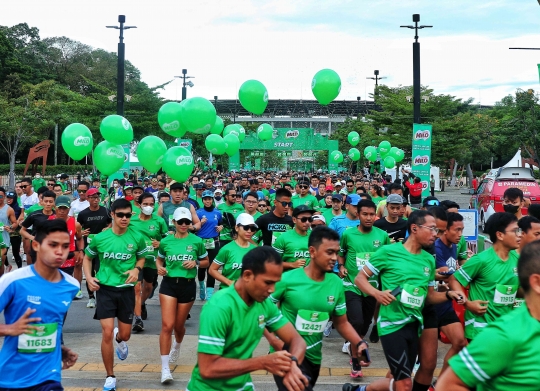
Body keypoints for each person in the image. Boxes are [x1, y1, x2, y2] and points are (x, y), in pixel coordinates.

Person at [346, 210, 463, 391]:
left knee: (404, 381)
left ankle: (362, 390)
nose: (435, 234)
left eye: (437, 231)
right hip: (392, 324)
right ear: (414, 228)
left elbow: (429, 296)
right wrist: (377, 294)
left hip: (414, 324)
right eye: (432, 229)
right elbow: (360, 279)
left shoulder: (427, 260)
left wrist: (449, 295)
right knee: (405, 383)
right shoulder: (387, 252)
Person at [186, 246, 308, 391]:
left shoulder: (263, 303)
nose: (272, 290)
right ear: (247, 275)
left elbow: (297, 340)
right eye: (268, 282)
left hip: (243, 386)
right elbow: (207, 369)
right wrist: (261, 362)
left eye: (276, 283)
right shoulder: (219, 307)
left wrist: (292, 364)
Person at [268, 226, 370, 389]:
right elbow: (261, 312)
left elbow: (341, 323)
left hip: (314, 358)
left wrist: (358, 343)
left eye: (336, 253)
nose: (334, 258)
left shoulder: (336, 283)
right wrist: (274, 341)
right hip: (287, 355)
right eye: (329, 252)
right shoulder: (287, 280)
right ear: (312, 252)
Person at [437, 240, 540, 391]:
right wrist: (467, 303)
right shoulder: (503, 336)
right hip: (479, 325)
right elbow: (448, 385)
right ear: (536, 283)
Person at [0, 219, 80, 390]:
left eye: (65, 246)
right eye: (53, 245)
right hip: (12, 379)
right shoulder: (13, 281)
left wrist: (58, 348)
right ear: (36, 245)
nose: (60, 252)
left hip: (49, 377)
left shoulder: (71, 286)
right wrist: (9, 329)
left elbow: (50, 324)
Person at [83, 198, 148, 391]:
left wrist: (137, 269)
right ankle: (110, 375)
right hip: (105, 290)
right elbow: (87, 257)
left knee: (125, 335)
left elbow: (142, 256)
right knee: (106, 332)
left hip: (126, 291)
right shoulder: (100, 238)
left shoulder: (137, 237)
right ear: (112, 215)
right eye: (120, 215)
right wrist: (88, 278)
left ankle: (120, 340)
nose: (124, 218)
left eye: (128, 215)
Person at [156, 207, 209, 384]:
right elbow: (159, 259)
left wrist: (195, 262)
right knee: (167, 325)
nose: (184, 225)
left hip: (187, 286)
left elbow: (206, 262)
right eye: (181, 222)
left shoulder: (196, 241)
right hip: (169, 285)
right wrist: (159, 268)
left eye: (187, 222)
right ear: (174, 223)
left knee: (179, 326)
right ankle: (165, 369)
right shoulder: (166, 241)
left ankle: (177, 345)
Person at [449, 212, 520, 341]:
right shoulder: (481, 260)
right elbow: (454, 279)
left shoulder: (518, 260)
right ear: (500, 235)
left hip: (506, 328)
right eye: (515, 231)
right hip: (480, 329)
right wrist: (467, 303)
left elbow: (520, 290)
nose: (519, 235)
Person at [434, 212, 468, 374]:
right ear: (445, 230)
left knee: (460, 343)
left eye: (462, 230)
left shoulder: (453, 246)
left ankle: (441, 383)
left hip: (445, 304)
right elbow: (447, 274)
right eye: (457, 230)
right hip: (431, 304)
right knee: (420, 358)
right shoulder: (436, 248)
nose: (460, 234)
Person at [129, 193, 168, 331]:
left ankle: (141, 303)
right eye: (145, 204)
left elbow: (168, 239)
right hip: (135, 260)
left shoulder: (159, 221)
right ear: (139, 205)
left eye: (151, 204)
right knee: (137, 288)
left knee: (148, 288)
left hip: (152, 259)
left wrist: (160, 243)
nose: (149, 207)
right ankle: (138, 320)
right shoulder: (131, 221)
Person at [77, 187, 112, 309]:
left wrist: (108, 228)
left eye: (97, 197)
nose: (96, 200)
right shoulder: (83, 214)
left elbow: (111, 223)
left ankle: (102, 296)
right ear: (88, 199)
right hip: (89, 247)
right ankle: (91, 297)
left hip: (103, 247)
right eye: (93, 198)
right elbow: (77, 229)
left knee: (102, 271)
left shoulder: (105, 211)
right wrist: (82, 232)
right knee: (90, 273)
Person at [209, 213, 258, 289]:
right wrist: (229, 282)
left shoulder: (255, 250)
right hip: (228, 293)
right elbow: (212, 270)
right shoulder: (227, 249)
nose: (249, 231)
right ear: (237, 228)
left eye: (252, 229)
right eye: (246, 227)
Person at [196, 190, 223, 300]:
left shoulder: (217, 212)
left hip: (213, 242)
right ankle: (202, 287)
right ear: (202, 200)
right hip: (201, 242)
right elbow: (193, 227)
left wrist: (221, 227)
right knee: (202, 266)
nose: (207, 201)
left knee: (212, 268)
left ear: (212, 200)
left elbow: (221, 224)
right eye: (205, 199)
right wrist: (200, 223)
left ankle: (210, 295)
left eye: (209, 199)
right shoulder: (198, 213)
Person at [20, 191, 57, 265]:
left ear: (54, 203)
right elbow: (22, 231)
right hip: (37, 247)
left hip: (52, 248)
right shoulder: (35, 215)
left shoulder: (57, 216)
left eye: (50, 201)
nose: (48, 204)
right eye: (46, 201)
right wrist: (33, 238)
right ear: (42, 202)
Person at [273, 205, 314, 271]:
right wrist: (292, 264)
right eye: (303, 219)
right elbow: (272, 262)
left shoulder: (314, 236)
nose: (307, 222)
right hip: (289, 279)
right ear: (294, 220)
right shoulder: (283, 238)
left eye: (310, 219)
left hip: (310, 279)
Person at [0, 187, 18, 276]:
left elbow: (15, 223)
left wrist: (10, 227)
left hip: (3, 240)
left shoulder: (9, 209)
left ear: (4, 197)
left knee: (1, 262)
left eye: (1, 196)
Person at [5, 191, 23, 270]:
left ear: (14, 198)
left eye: (11, 198)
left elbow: (20, 220)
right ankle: (8, 265)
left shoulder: (18, 208)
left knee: (15, 253)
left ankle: (20, 269)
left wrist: (13, 227)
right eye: (7, 197)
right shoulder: (4, 207)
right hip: (5, 232)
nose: (9, 199)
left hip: (15, 233)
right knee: (3, 252)